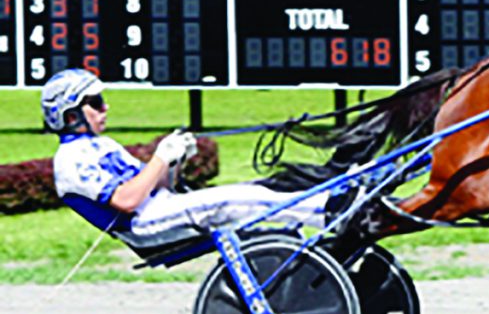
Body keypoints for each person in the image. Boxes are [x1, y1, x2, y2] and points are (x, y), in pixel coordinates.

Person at [41, 68, 329, 242]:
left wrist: (176, 159)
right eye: (96, 103)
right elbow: (127, 201)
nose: (106, 108)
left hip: (162, 207)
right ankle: (331, 212)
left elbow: (158, 184)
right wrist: (159, 158)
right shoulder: (69, 162)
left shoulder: (102, 145)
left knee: (253, 190)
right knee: (237, 199)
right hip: (145, 224)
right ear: (70, 115)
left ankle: (323, 205)